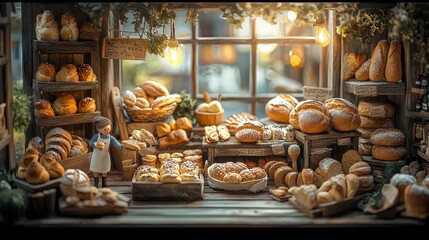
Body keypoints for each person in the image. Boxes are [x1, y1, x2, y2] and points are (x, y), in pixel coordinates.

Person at [89, 116, 124, 188]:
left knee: (104, 169)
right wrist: (95, 144)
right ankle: (96, 183)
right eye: (105, 129)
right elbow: (91, 142)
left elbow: (116, 143)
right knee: (96, 169)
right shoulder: (96, 136)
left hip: (105, 155)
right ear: (99, 129)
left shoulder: (110, 137)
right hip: (97, 155)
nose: (107, 130)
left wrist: (121, 147)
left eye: (108, 128)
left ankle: (104, 183)